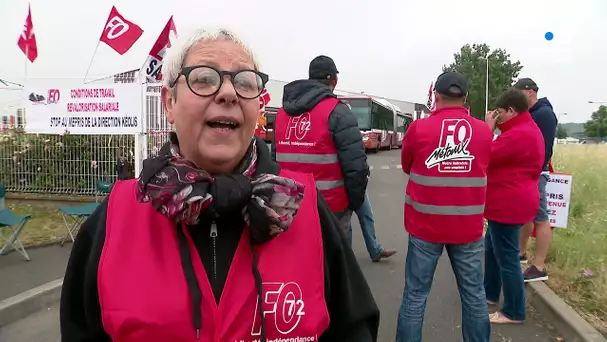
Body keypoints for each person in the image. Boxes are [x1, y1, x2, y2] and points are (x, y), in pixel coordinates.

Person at [60, 29, 380, 342]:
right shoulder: (114, 220)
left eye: (244, 82)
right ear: (169, 102)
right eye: (204, 78)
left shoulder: (306, 208)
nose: (228, 93)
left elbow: (354, 328)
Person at [397, 71, 492, 342]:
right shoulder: (484, 132)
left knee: (415, 295)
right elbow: (487, 167)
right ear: (465, 99)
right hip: (468, 228)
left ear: (436, 96)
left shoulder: (418, 129)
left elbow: (407, 165)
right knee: (474, 295)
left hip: (425, 226)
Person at [272, 55, 368, 237]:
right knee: (335, 262)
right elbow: (356, 168)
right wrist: (354, 203)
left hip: (290, 207)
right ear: (334, 80)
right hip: (332, 210)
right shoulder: (338, 112)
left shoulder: (282, 114)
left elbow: (273, 161)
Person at [483, 88, 545, 324]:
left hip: (508, 204)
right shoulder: (526, 129)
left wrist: (488, 131)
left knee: (507, 258)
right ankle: (489, 293)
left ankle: (514, 311)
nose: (498, 119)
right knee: (491, 248)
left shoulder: (518, 134)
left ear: (511, 110)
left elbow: (486, 155)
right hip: (511, 200)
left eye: (500, 114)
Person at [514, 78, 558, 282]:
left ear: (530, 92)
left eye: (519, 93)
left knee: (541, 218)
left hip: (536, 173)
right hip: (530, 172)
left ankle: (539, 266)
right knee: (527, 215)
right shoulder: (534, 114)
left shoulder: (543, 115)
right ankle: (521, 253)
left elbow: (542, 147)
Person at [347, 189, 397, 262]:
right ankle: (347, 255)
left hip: (358, 185)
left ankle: (374, 250)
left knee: (367, 216)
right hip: (343, 188)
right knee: (346, 222)